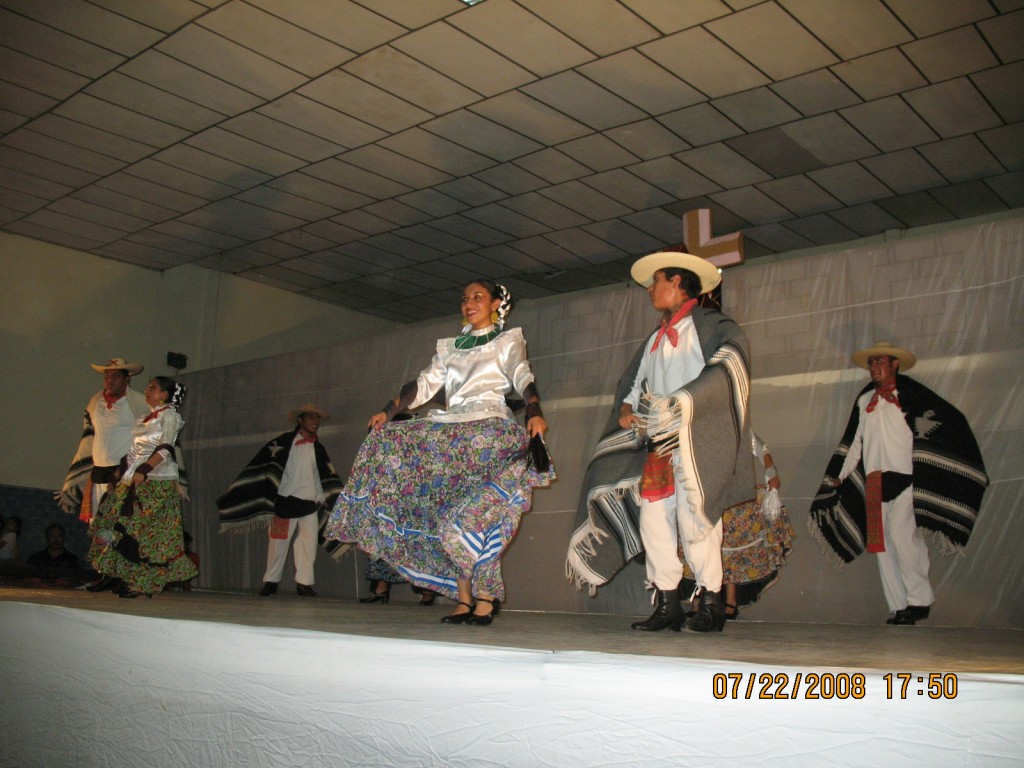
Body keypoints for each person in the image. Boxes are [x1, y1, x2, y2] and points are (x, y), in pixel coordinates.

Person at [325, 279, 555, 626]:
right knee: (447, 515)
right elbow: (423, 384)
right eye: (464, 298)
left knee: (477, 518)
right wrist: (389, 411)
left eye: (478, 297)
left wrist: (534, 409)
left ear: (495, 304)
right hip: (451, 438)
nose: (469, 303)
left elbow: (523, 377)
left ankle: (486, 597)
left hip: (488, 434)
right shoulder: (451, 347)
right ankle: (463, 599)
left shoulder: (507, 341)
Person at [566, 252, 754, 633]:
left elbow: (729, 366)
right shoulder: (653, 339)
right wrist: (625, 407)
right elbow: (636, 384)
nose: (651, 288)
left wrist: (685, 401)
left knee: (696, 519)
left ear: (679, 284)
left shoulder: (711, 326)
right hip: (657, 444)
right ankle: (668, 603)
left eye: (658, 281)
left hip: (695, 442)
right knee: (654, 521)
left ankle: (711, 602)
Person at [810, 342, 988, 625]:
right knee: (881, 544)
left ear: (895, 364)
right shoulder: (864, 399)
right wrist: (840, 475)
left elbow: (949, 422)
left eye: (880, 361)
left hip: (906, 477)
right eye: (871, 363)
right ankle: (898, 605)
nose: (874, 367)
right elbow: (855, 442)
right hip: (874, 481)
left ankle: (919, 601)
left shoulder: (913, 395)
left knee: (903, 536)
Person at [217, 404, 342, 597]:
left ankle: (304, 583)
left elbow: (324, 476)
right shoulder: (283, 443)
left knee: (307, 545)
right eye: (311, 417)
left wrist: (324, 498)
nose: (315, 422)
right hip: (284, 502)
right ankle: (271, 582)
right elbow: (266, 467)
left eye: (317, 419)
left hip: (310, 503)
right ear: (300, 420)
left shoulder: (319, 448)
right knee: (278, 544)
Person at [88, 377, 197, 598]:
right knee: (116, 525)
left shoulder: (169, 416)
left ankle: (141, 583)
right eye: (148, 387)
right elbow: (135, 450)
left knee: (140, 534)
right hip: (134, 479)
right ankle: (115, 575)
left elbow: (165, 449)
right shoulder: (145, 418)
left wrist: (144, 470)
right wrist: (121, 472)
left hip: (156, 482)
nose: (147, 390)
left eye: (153, 388)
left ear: (165, 395)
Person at [680, 434, 794, 620]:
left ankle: (730, 601)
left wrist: (771, 472)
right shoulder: (702, 425)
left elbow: (760, 447)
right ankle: (699, 597)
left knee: (732, 548)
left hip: (735, 495)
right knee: (701, 546)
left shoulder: (738, 425)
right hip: (707, 493)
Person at [57, 358, 151, 524]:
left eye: (115, 375)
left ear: (126, 378)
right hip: (99, 472)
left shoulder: (140, 402)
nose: (110, 380)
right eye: (107, 375)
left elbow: (150, 439)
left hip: (123, 472)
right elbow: (89, 436)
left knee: (120, 526)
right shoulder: (95, 401)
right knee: (97, 527)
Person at [25, 522, 93, 588]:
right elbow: (26, 577)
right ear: (47, 538)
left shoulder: (72, 559)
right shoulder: (36, 558)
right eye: (52, 536)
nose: (56, 540)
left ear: (63, 538)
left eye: (59, 536)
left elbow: (79, 581)